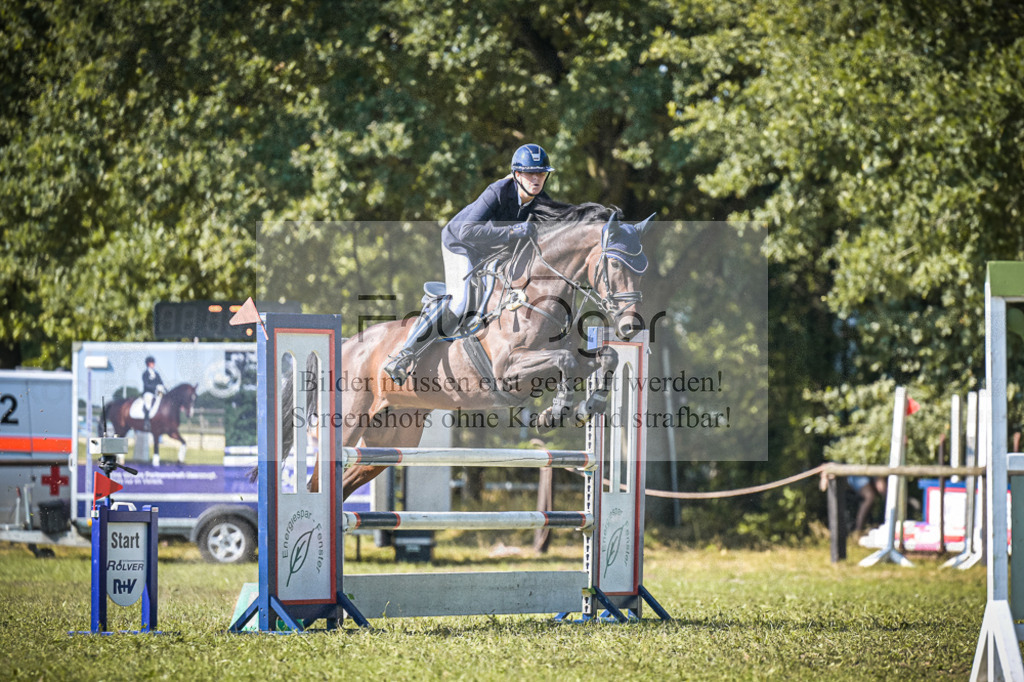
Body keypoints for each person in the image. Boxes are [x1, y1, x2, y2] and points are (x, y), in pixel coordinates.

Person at [384, 143, 556, 385]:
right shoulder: (497, 191)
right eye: (530, 173)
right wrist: (514, 230)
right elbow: (467, 231)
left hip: (491, 252)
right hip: (460, 243)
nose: (536, 179)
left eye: (541, 173)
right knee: (462, 300)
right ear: (517, 174)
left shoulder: (542, 202)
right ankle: (404, 354)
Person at [141, 356, 166, 430]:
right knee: (148, 405)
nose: (153, 364)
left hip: (157, 392)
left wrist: (165, 389)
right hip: (148, 392)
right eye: (152, 363)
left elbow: (161, 382)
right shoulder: (145, 374)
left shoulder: (156, 373)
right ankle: (146, 422)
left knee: (162, 401)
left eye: (153, 363)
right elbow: (146, 384)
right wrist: (155, 387)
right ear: (148, 364)